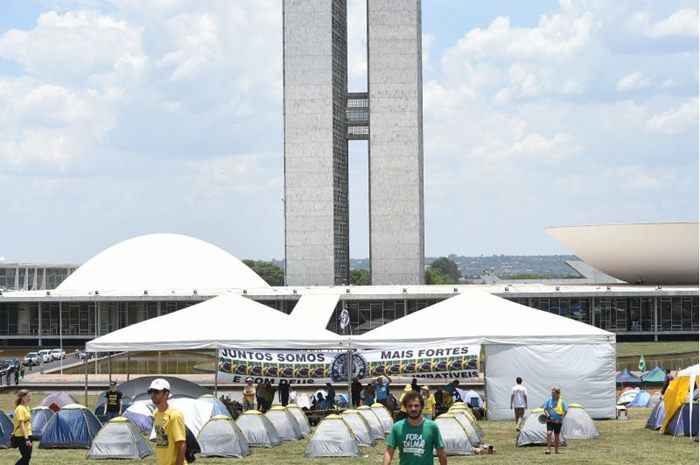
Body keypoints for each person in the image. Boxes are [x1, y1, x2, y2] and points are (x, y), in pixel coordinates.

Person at [383, 390, 447, 465]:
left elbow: (441, 452)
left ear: (421, 407)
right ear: (405, 408)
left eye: (416, 405)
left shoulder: (432, 427)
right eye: (410, 406)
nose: (413, 409)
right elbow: (389, 451)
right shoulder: (397, 427)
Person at [149, 378, 187, 465]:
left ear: (166, 394)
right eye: (151, 391)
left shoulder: (174, 415)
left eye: (156, 391)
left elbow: (182, 445)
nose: (153, 394)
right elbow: (162, 442)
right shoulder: (156, 414)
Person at [543, 387, 568, 455]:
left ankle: (556, 450)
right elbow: (545, 409)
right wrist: (548, 416)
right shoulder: (548, 400)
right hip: (550, 420)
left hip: (558, 421)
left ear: (558, 394)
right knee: (549, 433)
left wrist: (561, 419)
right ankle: (548, 449)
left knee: (556, 436)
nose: (552, 395)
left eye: (554, 393)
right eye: (552, 393)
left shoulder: (562, 401)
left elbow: (565, 411)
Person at [13, 389, 33, 465]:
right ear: (22, 397)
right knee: (26, 457)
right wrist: (26, 439)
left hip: (28, 434)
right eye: (28, 396)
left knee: (27, 457)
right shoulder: (20, 409)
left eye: (30, 396)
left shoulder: (26, 407)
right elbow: (21, 424)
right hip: (22, 436)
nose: (30, 398)